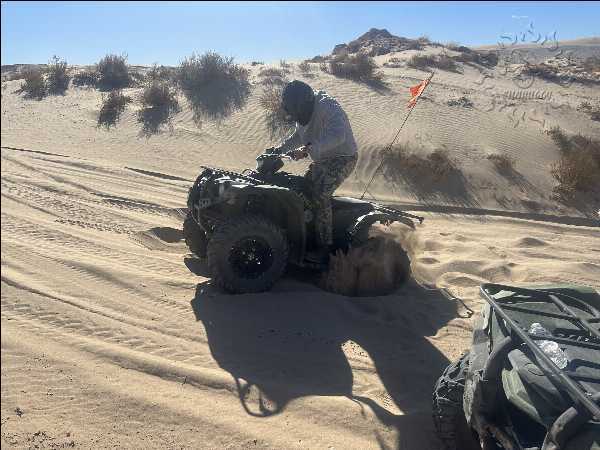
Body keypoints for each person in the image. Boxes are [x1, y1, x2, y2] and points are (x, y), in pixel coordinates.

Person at [271, 80, 358, 263]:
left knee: (320, 195)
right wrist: (279, 149)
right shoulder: (302, 113)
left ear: (304, 104)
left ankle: (324, 247)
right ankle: (305, 232)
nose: (295, 116)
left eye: (296, 112)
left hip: (344, 157)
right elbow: (298, 136)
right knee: (301, 191)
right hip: (322, 159)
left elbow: (338, 135)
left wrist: (308, 149)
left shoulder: (328, 107)